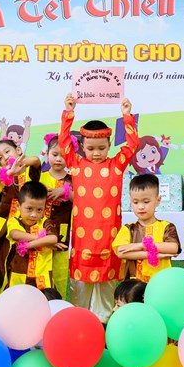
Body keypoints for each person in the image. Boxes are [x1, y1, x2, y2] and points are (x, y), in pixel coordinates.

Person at [58, 93, 139, 321]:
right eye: (91, 148)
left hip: (108, 238)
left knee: (108, 280)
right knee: (81, 284)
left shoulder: (116, 166)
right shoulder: (76, 164)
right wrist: (69, 112)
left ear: (109, 146)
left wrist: (126, 116)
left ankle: (105, 321)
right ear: (82, 146)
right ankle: (79, 318)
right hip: (82, 240)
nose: (96, 153)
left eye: (101, 148)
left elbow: (132, 145)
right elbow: (64, 142)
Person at [0, 138, 42, 293]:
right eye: (0, 157)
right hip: (5, 225)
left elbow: (36, 160)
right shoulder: (4, 176)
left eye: (7, 152)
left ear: (18, 150)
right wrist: (9, 172)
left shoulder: (30, 170)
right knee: (2, 258)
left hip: (28, 223)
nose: (5, 157)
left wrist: (18, 164)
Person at [113, 174, 180, 282]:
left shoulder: (167, 227)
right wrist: (152, 254)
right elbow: (121, 252)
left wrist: (140, 245)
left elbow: (173, 247)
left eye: (146, 202)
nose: (141, 207)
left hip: (161, 280)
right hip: (134, 282)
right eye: (135, 202)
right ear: (130, 202)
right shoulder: (128, 228)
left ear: (158, 200)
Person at [5, 181, 59, 289]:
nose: (34, 214)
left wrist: (29, 245)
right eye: (29, 209)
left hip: (42, 276)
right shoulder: (14, 221)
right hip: (18, 274)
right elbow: (15, 234)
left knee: (43, 299)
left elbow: (53, 238)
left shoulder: (45, 222)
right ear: (18, 206)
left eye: (39, 210)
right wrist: (41, 240)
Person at [41, 134, 74, 297]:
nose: (59, 159)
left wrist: (64, 192)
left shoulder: (73, 180)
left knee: (60, 271)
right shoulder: (40, 177)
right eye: (55, 154)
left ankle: (59, 301)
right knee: (41, 267)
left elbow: (82, 199)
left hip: (63, 231)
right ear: (47, 154)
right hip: (41, 230)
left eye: (64, 156)